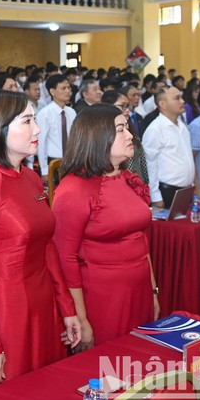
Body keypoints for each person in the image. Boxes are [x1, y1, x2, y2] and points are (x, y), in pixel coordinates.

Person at [0, 91, 80, 391]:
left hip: (43, 305)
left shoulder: (29, 177)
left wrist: (67, 308)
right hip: (7, 310)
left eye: (35, 120)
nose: (37, 129)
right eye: (27, 121)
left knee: (45, 388)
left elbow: (47, 247)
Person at [53, 104, 159, 350]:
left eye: (127, 128)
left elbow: (142, 240)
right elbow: (64, 259)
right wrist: (80, 318)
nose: (130, 135)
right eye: (121, 129)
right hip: (102, 299)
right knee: (109, 371)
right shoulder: (74, 190)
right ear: (97, 137)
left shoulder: (125, 180)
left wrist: (153, 290)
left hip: (139, 290)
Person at [141, 87, 195, 208]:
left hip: (185, 190)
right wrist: (155, 196)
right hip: (166, 191)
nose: (182, 101)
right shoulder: (155, 129)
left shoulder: (182, 126)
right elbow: (149, 165)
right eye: (177, 98)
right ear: (163, 104)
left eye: (181, 97)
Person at [35, 74, 75, 182]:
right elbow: (41, 143)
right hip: (53, 162)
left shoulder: (71, 112)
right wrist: (44, 170)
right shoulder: (44, 114)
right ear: (52, 92)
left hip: (70, 161)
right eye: (63, 88)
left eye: (69, 88)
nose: (68, 91)